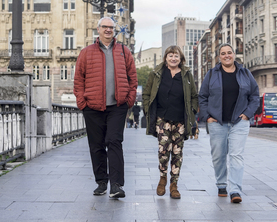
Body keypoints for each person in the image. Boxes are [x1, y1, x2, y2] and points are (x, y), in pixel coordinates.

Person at [73, 17, 138, 198]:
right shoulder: (86, 52)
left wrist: (129, 99)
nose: (108, 30)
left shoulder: (124, 52)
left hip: (117, 106)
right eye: (105, 27)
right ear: (98, 29)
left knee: (114, 141)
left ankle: (116, 185)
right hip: (92, 106)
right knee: (96, 145)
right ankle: (101, 182)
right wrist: (82, 102)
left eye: (111, 27)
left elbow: (133, 78)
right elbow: (78, 79)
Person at [198, 43, 259, 203]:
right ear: (219, 57)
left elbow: (254, 96)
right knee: (218, 156)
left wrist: (247, 114)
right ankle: (221, 184)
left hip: (239, 122)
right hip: (216, 122)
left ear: (234, 54)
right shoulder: (211, 74)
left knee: (236, 156)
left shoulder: (245, 73)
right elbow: (202, 96)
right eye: (223, 53)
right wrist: (207, 117)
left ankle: (235, 190)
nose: (227, 56)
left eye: (229, 53)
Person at [142, 45, 198, 199]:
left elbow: (194, 96)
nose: (173, 58)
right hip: (162, 118)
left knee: (177, 153)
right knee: (163, 151)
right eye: (170, 55)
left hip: (180, 119)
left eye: (176, 56)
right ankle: (162, 178)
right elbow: (146, 93)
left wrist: (192, 113)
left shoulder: (187, 75)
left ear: (181, 59)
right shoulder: (157, 73)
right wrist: (147, 110)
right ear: (166, 57)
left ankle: (174, 185)